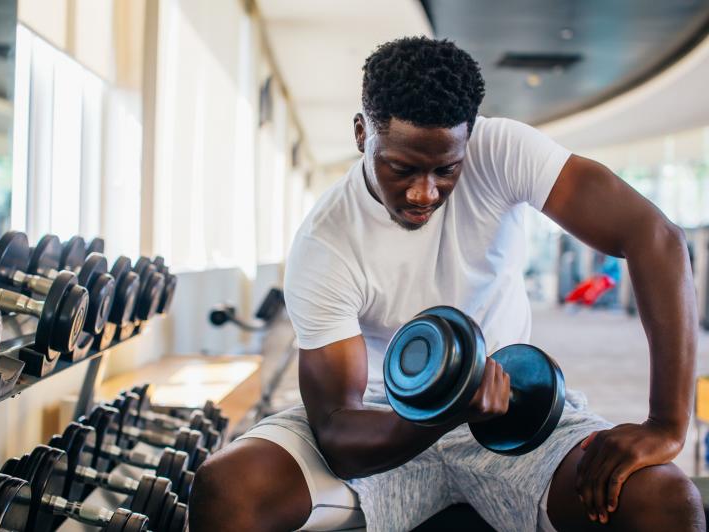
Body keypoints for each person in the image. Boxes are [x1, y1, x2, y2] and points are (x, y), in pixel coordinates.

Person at [189, 37, 704, 531]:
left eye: (446, 169)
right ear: (362, 134)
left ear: (469, 140)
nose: (423, 192)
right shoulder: (326, 243)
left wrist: (666, 424)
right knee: (229, 488)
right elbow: (338, 433)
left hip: (512, 413)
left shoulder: (503, 149)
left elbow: (656, 238)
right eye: (401, 168)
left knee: (665, 499)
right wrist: (446, 411)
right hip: (378, 423)